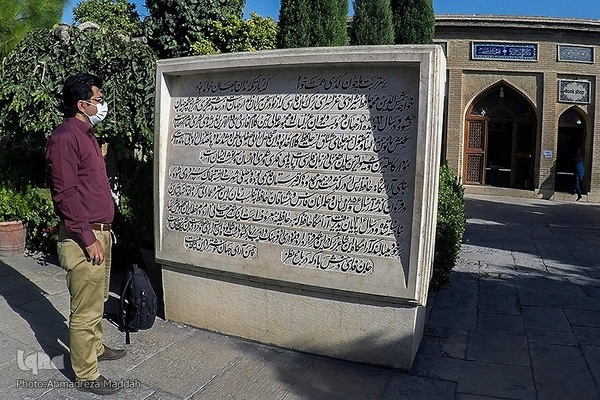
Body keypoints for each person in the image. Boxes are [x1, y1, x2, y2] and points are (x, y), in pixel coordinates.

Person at [45, 73, 126, 395]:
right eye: (98, 99)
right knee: (86, 308)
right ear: (82, 104)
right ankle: (86, 374)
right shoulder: (65, 138)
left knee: (98, 300)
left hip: (99, 233)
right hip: (85, 237)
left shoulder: (86, 134)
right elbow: (64, 194)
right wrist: (88, 238)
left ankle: (96, 348)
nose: (102, 104)